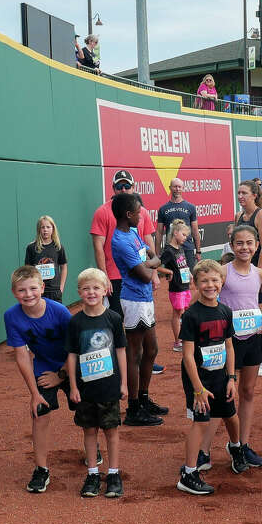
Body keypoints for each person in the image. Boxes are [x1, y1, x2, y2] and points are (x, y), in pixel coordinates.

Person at [4, 265, 76, 494]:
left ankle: (93, 453)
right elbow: (22, 355)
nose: (28, 294)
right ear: (14, 292)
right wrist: (34, 392)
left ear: (42, 287)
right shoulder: (11, 316)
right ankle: (41, 469)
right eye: (22, 290)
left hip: (71, 366)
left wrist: (62, 375)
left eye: (33, 288)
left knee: (86, 411)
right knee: (40, 412)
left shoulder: (60, 311)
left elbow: (75, 349)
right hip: (44, 368)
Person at [176, 261, 244, 494]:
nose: (210, 285)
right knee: (201, 422)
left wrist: (231, 378)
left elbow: (229, 347)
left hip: (221, 377)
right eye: (204, 281)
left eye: (214, 280)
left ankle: (235, 447)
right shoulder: (191, 315)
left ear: (221, 282)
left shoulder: (225, 311)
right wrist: (197, 389)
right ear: (195, 283)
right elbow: (187, 356)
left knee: (231, 416)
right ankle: (189, 472)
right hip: (199, 380)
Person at [66, 268, 129, 498]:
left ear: (105, 290)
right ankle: (92, 473)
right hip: (85, 389)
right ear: (79, 292)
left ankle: (113, 473)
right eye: (86, 288)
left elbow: (121, 351)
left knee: (111, 431)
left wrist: (123, 383)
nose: (91, 292)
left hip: (110, 386)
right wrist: (72, 386)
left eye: (96, 287)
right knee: (89, 431)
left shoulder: (113, 318)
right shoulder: (75, 322)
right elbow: (72, 355)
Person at [217, 223, 262, 469]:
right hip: (227, 341)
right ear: (232, 246)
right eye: (239, 243)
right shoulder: (222, 271)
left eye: (249, 243)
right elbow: (199, 299)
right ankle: (206, 450)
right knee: (223, 394)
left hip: (252, 338)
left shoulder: (260, 274)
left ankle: (242, 444)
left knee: (248, 392)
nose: (244, 247)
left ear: (257, 246)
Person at [110, 192, 168, 426]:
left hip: (144, 300)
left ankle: (143, 399)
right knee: (135, 353)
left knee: (151, 350)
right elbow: (145, 274)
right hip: (134, 301)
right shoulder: (120, 241)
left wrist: (151, 262)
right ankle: (133, 408)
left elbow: (153, 256)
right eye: (137, 212)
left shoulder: (132, 233)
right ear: (128, 214)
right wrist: (152, 263)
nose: (140, 216)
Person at [90, 169, 156, 320]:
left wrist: (154, 273)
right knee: (117, 319)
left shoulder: (142, 212)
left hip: (140, 272)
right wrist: (104, 276)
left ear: (133, 187)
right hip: (115, 276)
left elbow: (148, 240)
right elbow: (98, 247)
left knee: (141, 320)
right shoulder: (102, 212)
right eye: (119, 187)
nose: (124, 189)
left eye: (127, 186)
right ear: (113, 189)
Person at [231, 179, 262, 375]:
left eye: (244, 193)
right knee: (249, 314)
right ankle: (254, 358)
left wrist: (256, 275)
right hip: (243, 272)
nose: (240, 196)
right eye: (239, 193)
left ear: (254, 195)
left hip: (259, 272)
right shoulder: (239, 216)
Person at [159, 220, 194, 354]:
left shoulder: (180, 248)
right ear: (175, 233)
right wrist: (169, 272)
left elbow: (183, 264)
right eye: (184, 235)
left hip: (184, 285)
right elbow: (156, 265)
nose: (185, 238)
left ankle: (184, 338)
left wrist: (190, 274)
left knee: (184, 311)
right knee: (177, 313)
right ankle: (177, 342)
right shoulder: (168, 250)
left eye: (186, 235)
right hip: (176, 287)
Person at [154, 178, 201, 271]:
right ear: (170, 188)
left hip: (187, 248)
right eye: (175, 187)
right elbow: (159, 232)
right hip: (170, 250)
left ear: (183, 188)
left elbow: (195, 230)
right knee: (172, 278)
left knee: (187, 278)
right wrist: (157, 253)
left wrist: (198, 251)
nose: (177, 189)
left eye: (179, 187)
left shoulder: (190, 207)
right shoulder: (163, 209)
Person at [24, 215, 68, 305]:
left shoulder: (58, 247)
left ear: (53, 229)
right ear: (38, 230)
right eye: (42, 227)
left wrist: (61, 288)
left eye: (48, 227)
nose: (45, 230)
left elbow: (64, 267)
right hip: (38, 290)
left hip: (54, 290)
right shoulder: (31, 248)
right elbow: (27, 270)